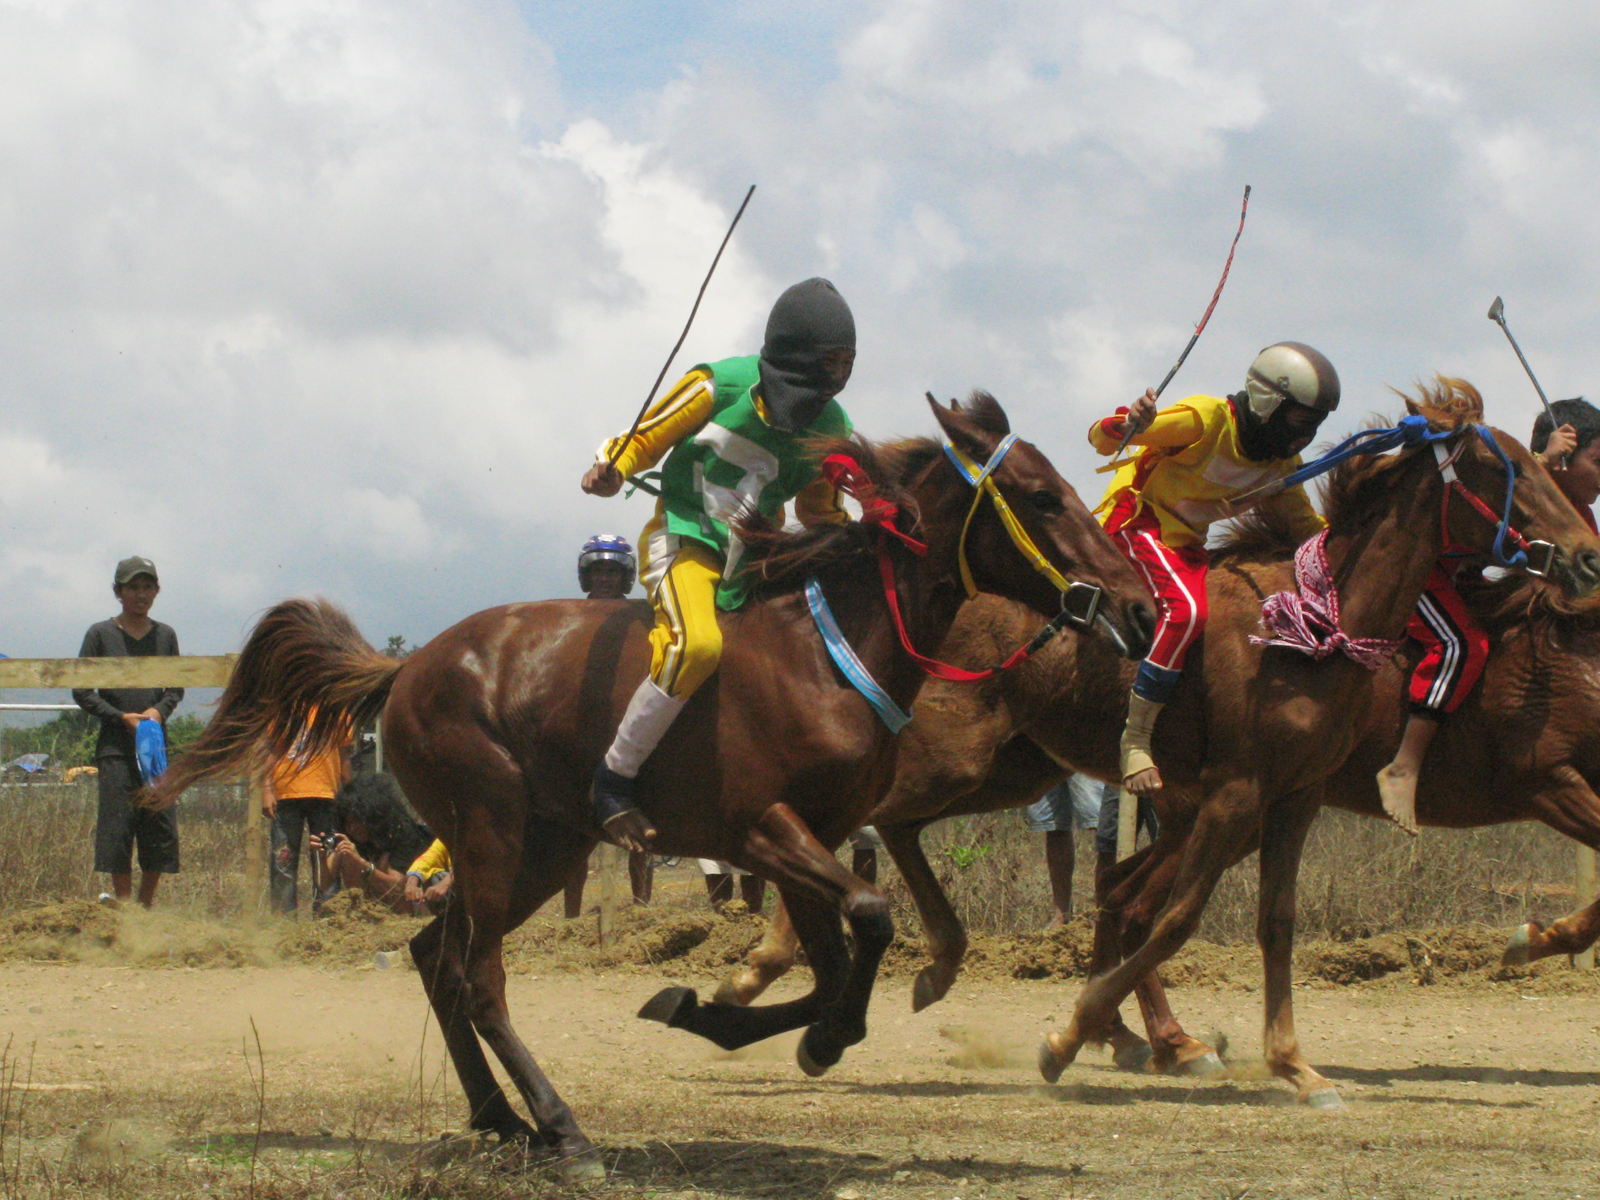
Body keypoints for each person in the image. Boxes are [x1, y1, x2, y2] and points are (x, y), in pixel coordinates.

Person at [581, 278, 857, 849]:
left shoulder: (834, 429)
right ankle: (614, 780)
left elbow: (821, 511)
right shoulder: (714, 385)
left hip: (754, 563)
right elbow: (642, 441)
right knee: (697, 647)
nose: (802, 417)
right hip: (682, 541)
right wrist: (610, 469)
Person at [1090, 343, 1337, 795]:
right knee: (1187, 613)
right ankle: (1136, 738)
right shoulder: (1204, 420)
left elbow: (1308, 527)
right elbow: (1102, 440)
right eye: (1301, 423)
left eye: (1316, 425)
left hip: (1185, 547)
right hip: (1137, 523)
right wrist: (1129, 423)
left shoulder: (1280, 465)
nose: (1305, 437)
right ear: (1269, 403)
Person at [1377, 397, 1600, 834]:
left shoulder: (1583, 520)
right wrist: (1543, 462)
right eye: (1598, 460)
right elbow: (1498, 502)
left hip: (1461, 579)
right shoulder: (1518, 486)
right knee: (1463, 646)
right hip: (1421, 572)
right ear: (1565, 457)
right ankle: (1405, 766)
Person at [72, 556, 183, 909]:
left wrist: (156, 712)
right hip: (115, 749)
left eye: (147, 587)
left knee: (159, 827)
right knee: (118, 829)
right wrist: (120, 716)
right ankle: (123, 909)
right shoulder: (100, 634)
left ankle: (145, 906)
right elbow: (81, 690)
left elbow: (176, 688)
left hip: (154, 749)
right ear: (118, 592)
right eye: (132, 587)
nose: (141, 594)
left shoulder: (166, 635)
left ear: (156, 591)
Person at [563, 535, 654, 918]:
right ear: (587, 576)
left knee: (640, 826)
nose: (604, 578)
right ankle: (571, 916)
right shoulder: (567, 618)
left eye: (612, 571)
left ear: (626, 576)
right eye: (598, 571)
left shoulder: (639, 616)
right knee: (575, 833)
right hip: (583, 731)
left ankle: (641, 908)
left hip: (629, 729)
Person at [261, 708, 350, 916]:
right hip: (285, 795)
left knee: (327, 861)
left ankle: (327, 919)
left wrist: (349, 792)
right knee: (283, 861)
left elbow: (344, 753)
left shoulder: (336, 708)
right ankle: (284, 922)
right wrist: (266, 790)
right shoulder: (282, 708)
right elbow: (268, 751)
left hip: (326, 796)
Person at [310, 772, 435, 912]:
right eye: (347, 823)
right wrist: (321, 857)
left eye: (357, 820)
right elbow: (323, 883)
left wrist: (361, 863)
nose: (352, 828)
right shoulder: (348, 837)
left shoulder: (402, 833)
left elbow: (397, 887)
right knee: (348, 858)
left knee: (382, 862)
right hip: (371, 910)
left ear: (372, 816)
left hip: (412, 906)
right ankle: (361, 911)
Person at [1022, 775, 1107, 927]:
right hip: (1042, 755)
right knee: (1053, 826)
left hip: (1080, 754)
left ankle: (1106, 912)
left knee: (1101, 822)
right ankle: (1062, 915)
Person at [404, 838, 455, 916]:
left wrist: (447, 881)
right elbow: (430, 857)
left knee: (438, 879)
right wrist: (412, 882)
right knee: (432, 878)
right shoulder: (450, 835)